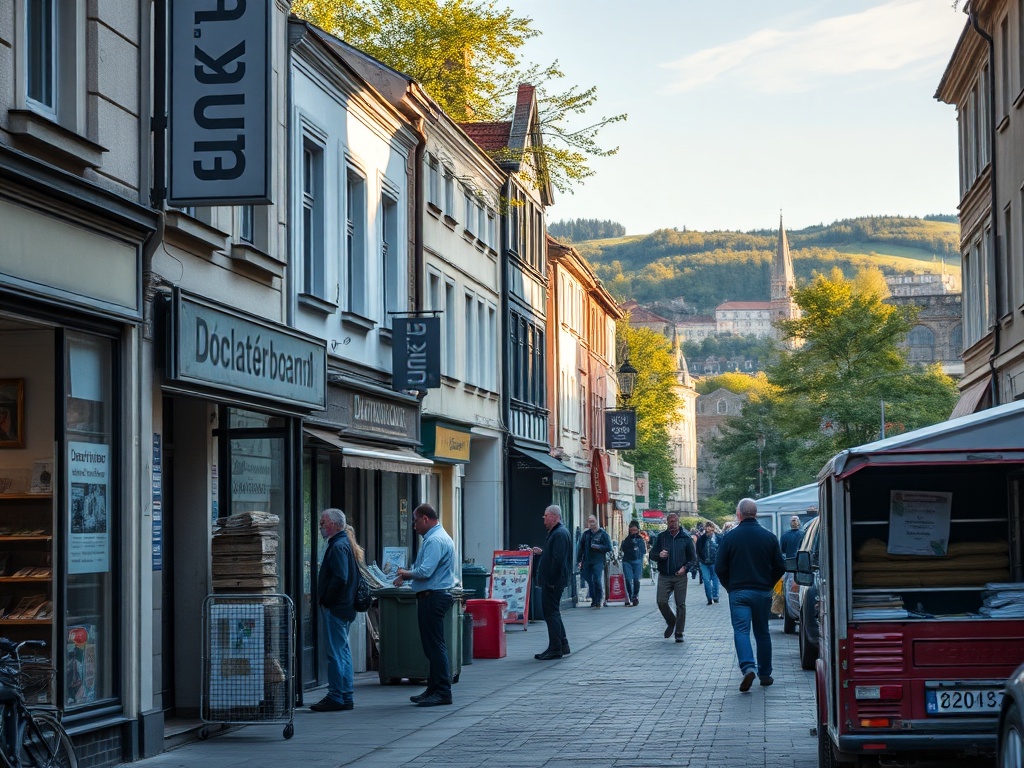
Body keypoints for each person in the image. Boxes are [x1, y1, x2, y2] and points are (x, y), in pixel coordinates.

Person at [714, 498, 786, 692]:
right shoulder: (769, 537)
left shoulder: (730, 537)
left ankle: (748, 667)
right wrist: (768, 583)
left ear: (739, 514)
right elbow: (781, 565)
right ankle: (765, 674)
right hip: (762, 591)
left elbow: (719, 567)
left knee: (741, 631)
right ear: (756, 513)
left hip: (738, 592)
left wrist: (730, 586)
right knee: (762, 632)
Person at [395, 503, 457, 707]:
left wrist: (405, 574)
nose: (414, 525)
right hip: (434, 594)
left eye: (415, 520)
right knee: (433, 646)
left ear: (424, 519)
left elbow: (425, 571)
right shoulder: (437, 537)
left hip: (433, 596)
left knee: (435, 646)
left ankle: (442, 691)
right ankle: (434, 688)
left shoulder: (435, 540)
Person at [311, 508, 358, 712]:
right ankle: (345, 694)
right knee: (342, 651)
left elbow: (341, 577)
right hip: (344, 606)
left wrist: (327, 600)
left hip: (337, 608)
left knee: (336, 653)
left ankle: (336, 695)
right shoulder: (344, 544)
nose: (320, 526)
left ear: (332, 524)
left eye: (323, 522)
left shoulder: (338, 546)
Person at [530, 505, 572, 660]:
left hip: (553, 581)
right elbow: (554, 556)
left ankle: (555, 647)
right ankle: (562, 643)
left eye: (546, 516)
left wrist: (552, 581)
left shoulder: (559, 534)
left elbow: (558, 560)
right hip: (554, 580)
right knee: (553, 611)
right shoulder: (558, 533)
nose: (544, 519)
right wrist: (543, 554)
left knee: (550, 612)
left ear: (555, 517)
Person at [649, 512, 697, 642]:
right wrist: (659, 555)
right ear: (667, 522)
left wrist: (685, 568)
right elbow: (652, 555)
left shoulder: (686, 538)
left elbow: (693, 559)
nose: (672, 524)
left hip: (680, 576)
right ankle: (671, 621)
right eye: (670, 522)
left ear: (678, 522)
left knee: (680, 604)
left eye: (674, 522)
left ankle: (679, 632)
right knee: (661, 601)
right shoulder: (662, 537)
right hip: (665, 575)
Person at [576, 515, 611, 607]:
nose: (591, 523)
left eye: (593, 521)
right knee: (589, 580)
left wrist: (598, 547)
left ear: (597, 521)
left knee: (596, 579)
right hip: (587, 561)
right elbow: (581, 548)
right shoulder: (586, 534)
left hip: (598, 561)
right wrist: (579, 560)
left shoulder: (603, 533)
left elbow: (608, 547)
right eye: (589, 521)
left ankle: (598, 599)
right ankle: (594, 598)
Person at [619, 520, 646, 607]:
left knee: (636, 579)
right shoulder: (626, 540)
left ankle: (635, 596)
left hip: (637, 561)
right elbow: (622, 550)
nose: (633, 532)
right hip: (627, 561)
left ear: (638, 530)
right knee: (628, 579)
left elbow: (643, 551)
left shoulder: (641, 540)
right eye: (631, 530)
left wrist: (642, 561)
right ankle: (631, 596)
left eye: (635, 530)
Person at [696, 520, 721, 605]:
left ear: (713, 529)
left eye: (710, 530)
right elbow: (698, 550)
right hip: (704, 562)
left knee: (715, 579)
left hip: (715, 562)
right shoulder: (702, 539)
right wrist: (700, 559)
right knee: (706, 580)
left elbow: (722, 549)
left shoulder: (718, 538)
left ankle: (715, 596)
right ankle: (709, 598)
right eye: (707, 530)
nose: (708, 532)